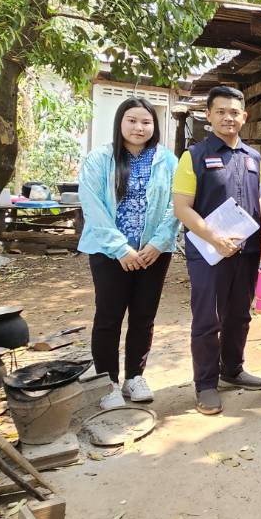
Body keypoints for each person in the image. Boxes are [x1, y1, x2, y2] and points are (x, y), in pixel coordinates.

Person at [77, 97, 180, 410]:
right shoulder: (99, 159)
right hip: (109, 254)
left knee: (144, 316)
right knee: (108, 317)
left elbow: (176, 205)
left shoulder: (167, 160)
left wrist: (158, 243)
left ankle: (135, 376)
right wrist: (120, 248)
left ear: (154, 126)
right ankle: (107, 381)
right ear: (120, 122)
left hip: (153, 253)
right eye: (132, 120)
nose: (139, 127)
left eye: (146, 122)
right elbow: (92, 206)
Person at [172, 86, 261, 416]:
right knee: (208, 318)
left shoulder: (253, 158)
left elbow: (257, 204)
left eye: (234, 112)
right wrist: (214, 239)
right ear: (209, 115)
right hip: (208, 253)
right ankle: (206, 384)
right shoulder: (194, 156)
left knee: (240, 315)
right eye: (221, 111)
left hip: (246, 251)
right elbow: (182, 207)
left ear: (244, 117)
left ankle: (233, 369)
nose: (228, 117)